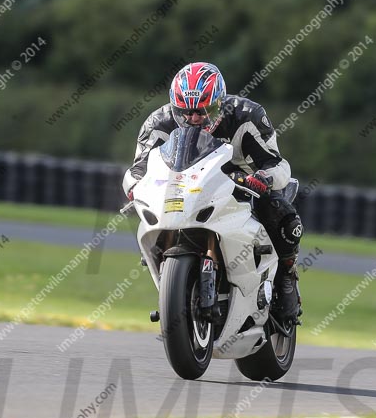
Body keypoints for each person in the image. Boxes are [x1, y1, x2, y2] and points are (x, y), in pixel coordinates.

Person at [122, 62, 303, 319]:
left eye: (203, 111)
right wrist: (135, 187)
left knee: (282, 215)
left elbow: (277, 163)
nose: (194, 118)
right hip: (183, 188)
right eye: (185, 111)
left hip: (241, 183)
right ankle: (173, 288)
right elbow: (137, 170)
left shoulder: (247, 115)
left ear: (220, 103)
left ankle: (287, 276)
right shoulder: (158, 124)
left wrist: (264, 178)